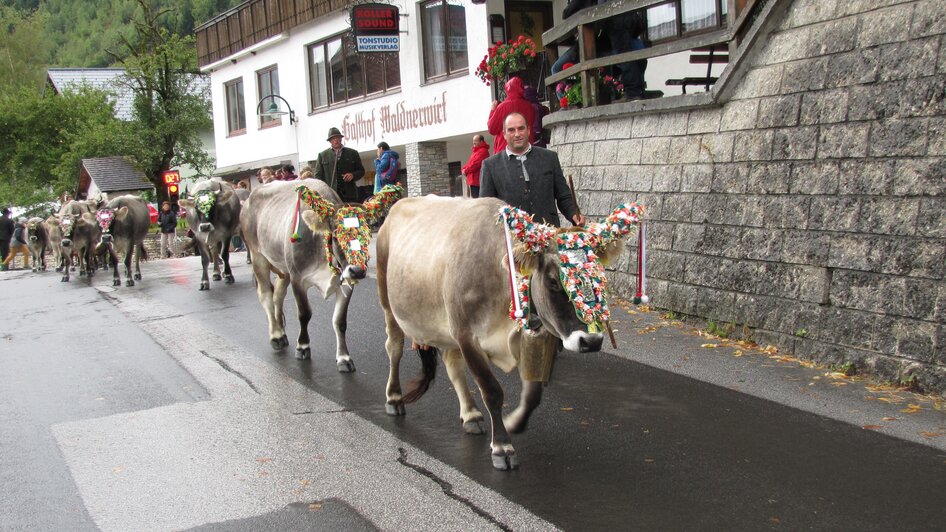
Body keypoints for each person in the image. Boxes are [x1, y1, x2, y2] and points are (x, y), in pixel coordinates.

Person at [480, 112, 583, 227]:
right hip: (511, 239)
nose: (517, 134)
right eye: (511, 130)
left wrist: (573, 214)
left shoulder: (549, 158)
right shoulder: (490, 166)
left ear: (528, 130)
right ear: (504, 134)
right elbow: (486, 209)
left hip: (548, 235)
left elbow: (563, 196)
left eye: (521, 128)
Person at [313, 127, 365, 203]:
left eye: (337, 137)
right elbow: (318, 177)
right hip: (330, 197)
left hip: (350, 195)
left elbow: (361, 171)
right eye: (333, 138)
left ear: (341, 138)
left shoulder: (353, 153)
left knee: (350, 214)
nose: (336, 140)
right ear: (330, 141)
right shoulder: (322, 155)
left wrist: (353, 175)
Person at [487, 77, 535, 155]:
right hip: (526, 149)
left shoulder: (503, 107)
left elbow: (492, 129)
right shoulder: (529, 107)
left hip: (506, 150)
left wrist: (493, 111)